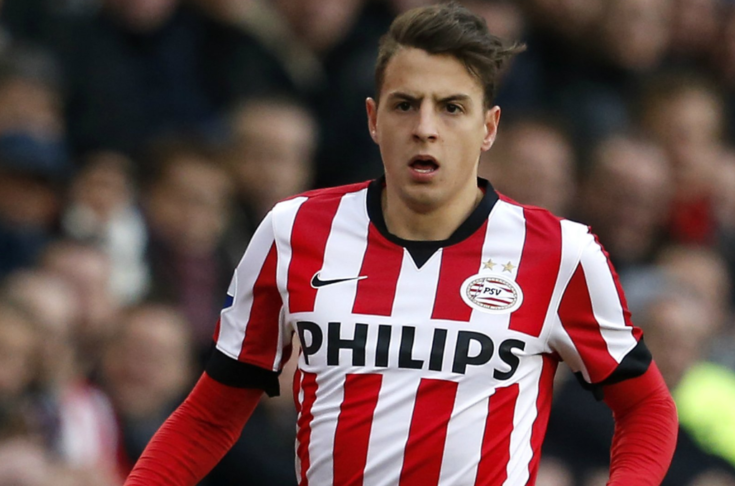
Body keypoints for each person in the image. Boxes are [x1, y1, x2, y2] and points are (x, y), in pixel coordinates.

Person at [125, 3, 678, 485]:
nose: (425, 127)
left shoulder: (561, 252)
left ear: (489, 127)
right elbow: (211, 414)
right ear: (373, 119)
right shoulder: (292, 230)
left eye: (452, 107)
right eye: (405, 104)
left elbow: (647, 407)